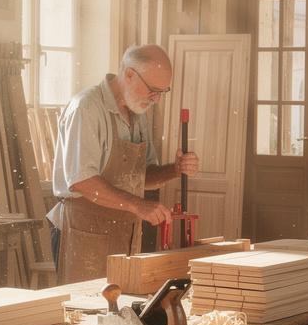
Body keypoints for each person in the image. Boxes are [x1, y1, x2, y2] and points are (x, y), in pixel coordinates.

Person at [47, 44, 200, 285]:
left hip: (123, 232)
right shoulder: (86, 107)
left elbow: (141, 175)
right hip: (84, 232)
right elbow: (81, 181)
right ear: (129, 75)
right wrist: (137, 205)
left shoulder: (137, 113)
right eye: (153, 90)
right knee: (82, 312)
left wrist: (175, 170)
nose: (157, 99)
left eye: (163, 91)